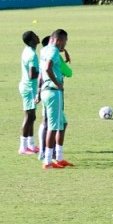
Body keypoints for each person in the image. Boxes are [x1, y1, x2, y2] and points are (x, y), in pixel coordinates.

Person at [40, 29, 74, 169]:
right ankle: (47, 161)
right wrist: (57, 83)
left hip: (45, 91)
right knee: (53, 127)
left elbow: (47, 68)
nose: (64, 44)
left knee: (62, 123)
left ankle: (59, 157)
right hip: (53, 92)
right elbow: (48, 68)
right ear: (59, 39)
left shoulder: (44, 50)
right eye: (65, 41)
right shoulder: (53, 51)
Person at [19, 30, 40, 155]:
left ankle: (31, 145)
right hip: (29, 88)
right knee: (29, 116)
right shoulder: (32, 55)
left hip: (27, 86)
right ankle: (23, 147)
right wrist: (44, 71)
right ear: (32, 41)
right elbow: (32, 75)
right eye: (35, 36)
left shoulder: (26, 50)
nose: (38, 37)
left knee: (32, 116)